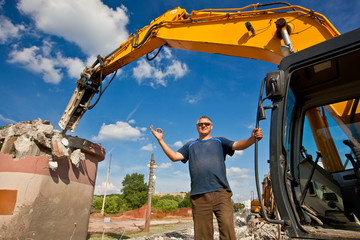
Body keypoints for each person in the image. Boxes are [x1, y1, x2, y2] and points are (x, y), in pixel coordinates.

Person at [150, 116, 263, 240]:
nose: (203, 125)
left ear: (211, 126)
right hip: (199, 196)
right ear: (197, 127)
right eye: (200, 124)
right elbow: (174, 157)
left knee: (228, 230)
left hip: (221, 194)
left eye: (206, 123)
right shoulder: (190, 145)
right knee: (202, 235)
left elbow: (237, 145)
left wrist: (252, 139)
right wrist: (160, 140)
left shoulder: (219, 141)